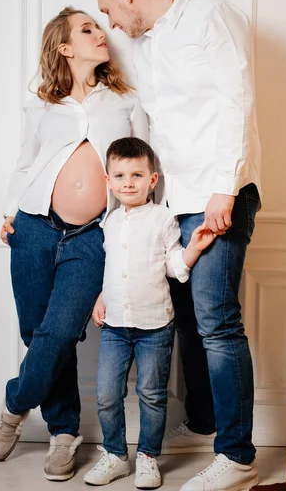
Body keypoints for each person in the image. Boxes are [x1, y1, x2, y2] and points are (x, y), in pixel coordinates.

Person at [92, 0, 262, 491]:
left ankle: (237, 458)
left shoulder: (213, 16)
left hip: (219, 193)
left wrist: (224, 188)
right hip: (174, 204)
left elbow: (238, 99)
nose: (112, 25)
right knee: (186, 320)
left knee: (217, 323)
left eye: (107, 11)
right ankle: (205, 423)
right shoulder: (147, 48)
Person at [0, 7, 147, 482]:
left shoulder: (124, 101)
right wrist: (10, 211)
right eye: (87, 29)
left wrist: (136, 236)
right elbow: (25, 161)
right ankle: (64, 432)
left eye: (98, 27)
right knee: (36, 334)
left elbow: (143, 171)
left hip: (92, 237)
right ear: (64, 47)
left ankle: (14, 404)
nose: (101, 33)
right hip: (34, 229)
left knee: (58, 334)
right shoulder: (43, 103)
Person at [84, 137, 216, 489]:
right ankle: (114, 454)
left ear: (152, 180)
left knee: (151, 393)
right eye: (121, 175)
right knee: (108, 394)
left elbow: (174, 266)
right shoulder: (108, 222)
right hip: (114, 326)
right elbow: (112, 268)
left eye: (137, 175)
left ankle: (147, 456)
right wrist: (100, 296)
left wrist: (193, 249)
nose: (129, 182)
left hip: (154, 325)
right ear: (108, 181)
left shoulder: (163, 219)